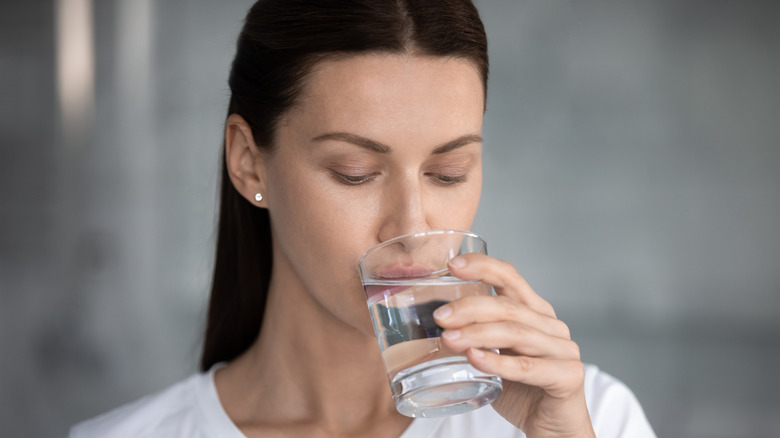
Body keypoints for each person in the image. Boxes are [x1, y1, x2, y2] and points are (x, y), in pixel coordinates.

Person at [70, 0, 655, 437]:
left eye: (447, 172)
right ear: (250, 164)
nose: (410, 223)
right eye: (355, 172)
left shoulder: (588, 416)